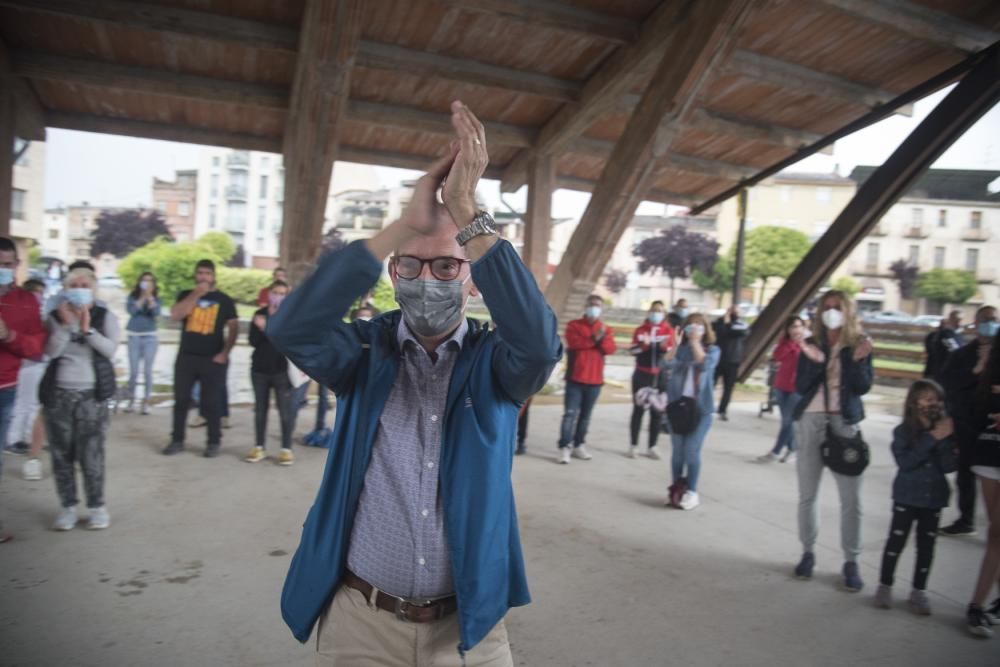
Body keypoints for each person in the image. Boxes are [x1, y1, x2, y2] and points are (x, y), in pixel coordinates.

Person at [266, 101, 561, 665]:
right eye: (410, 265)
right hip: (362, 622)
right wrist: (406, 225)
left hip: (467, 626)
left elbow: (539, 343)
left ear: (473, 279)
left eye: (447, 266)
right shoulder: (363, 353)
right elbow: (293, 328)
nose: (427, 280)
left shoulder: (494, 364)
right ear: (392, 274)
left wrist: (468, 212)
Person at [791, 290, 874, 592]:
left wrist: (857, 361)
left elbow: (862, 386)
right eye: (826, 308)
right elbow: (800, 386)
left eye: (837, 308)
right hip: (812, 420)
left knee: (851, 499)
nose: (831, 313)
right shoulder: (811, 343)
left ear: (847, 311)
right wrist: (815, 361)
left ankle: (851, 560)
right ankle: (807, 553)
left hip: (844, 422)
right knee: (807, 494)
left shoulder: (858, 343)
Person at [43, 267, 119, 531]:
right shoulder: (55, 315)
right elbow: (50, 352)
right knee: (61, 455)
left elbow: (110, 349)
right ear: (65, 288)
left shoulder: (104, 315)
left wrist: (88, 330)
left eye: (83, 283)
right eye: (73, 283)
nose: (78, 287)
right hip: (59, 394)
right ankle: (68, 507)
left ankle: (97, 507)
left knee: (92, 455)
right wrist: (66, 326)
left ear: (93, 287)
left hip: (91, 395)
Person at [873, 379, 957, 615]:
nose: (933, 404)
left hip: (933, 498)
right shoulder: (902, 432)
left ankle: (919, 590)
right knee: (896, 542)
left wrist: (945, 439)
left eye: (937, 399)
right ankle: (885, 584)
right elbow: (906, 462)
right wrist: (932, 437)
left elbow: (950, 466)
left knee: (926, 546)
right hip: (906, 495)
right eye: (927, 398)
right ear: (913, 403)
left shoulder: (946, 432)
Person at [162, 259, 238, 458]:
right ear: (196, 275)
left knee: (211, 402)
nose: (203, 277)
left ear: (213, 276)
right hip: (186, 357)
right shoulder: (186, 295)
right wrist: (195, 294)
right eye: (200, 273)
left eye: (207, 273)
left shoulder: (224, 299)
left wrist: (225, 353)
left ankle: (213, 441)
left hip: (212, 359)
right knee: (181, 400)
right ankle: (177, 439)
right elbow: (176, 315)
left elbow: (233, 327)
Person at [0, 238, 47, 540]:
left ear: (16, 266)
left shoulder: (26, 302)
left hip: (5, 388)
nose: (2, 270)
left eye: (6, 265)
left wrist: (9, 335)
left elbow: (35, 347)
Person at [941, 305, 998, 537]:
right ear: (975, 324)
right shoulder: (962, 355)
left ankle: (995, 528)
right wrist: (977, 369)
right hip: (968, 422)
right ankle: (966, 518)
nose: (989, 324)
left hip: (994, 425)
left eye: (993, 319)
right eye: (984, 319)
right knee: (965, 474)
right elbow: (949, 385)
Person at [659, 313, 720, 510]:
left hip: (701, 410)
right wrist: (675, 346)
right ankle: (677, 489)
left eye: (698, 327)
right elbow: (665, 364)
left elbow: (705, 365)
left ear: (705, 331)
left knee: (692, 451)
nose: (693, 330)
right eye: (690, 327)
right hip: (678, 408)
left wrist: (695, 343)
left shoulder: (713, 350)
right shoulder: (681, 350)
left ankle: (692, 492)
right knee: (678, 453)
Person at [965, 324, 1000, 637]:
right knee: (995, 534)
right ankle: (983, 603)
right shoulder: (990, 368)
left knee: (996, 533)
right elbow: (978, 410)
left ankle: (977, 604)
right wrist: (980, 367)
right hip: (990, 453)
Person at [558, 294, 615, 464]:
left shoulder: (605, 329)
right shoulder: (574, 325)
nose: (594, 308)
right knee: (569, 414)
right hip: (575, 378)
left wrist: (600, 338)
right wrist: (594, 339)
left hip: (595, 381)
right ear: (586, 306)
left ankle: (578, 445)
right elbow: (574, 343)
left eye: (597, 305)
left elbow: (610, 348)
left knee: (585, 416)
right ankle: (564, 446)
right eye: (591, 305)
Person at [245, 280, 295, 466]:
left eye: (282, 293)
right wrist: (261, 328)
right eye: (275, 292)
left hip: (281, 371)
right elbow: (253, 341)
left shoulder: (289, 316)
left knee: (284, 411)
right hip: (259, 370)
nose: (278, 296)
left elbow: (286, 341)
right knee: (260, 410)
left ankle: (286, 448)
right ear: (269, 293)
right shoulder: (259, 314)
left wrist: (266, 327)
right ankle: (259, 446)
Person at [6, 280, 48, 482]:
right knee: (25, 403)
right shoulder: (22, 309)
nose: (40, 296)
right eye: (37, 292)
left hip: (34, 362)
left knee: (30, 404)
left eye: (42, 293)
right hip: (26, 364)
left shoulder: (37, 312)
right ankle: (16, 440)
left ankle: (22, 438)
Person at [628, 301, 675, 459]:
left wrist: (663, 348)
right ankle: (633, 445)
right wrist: (644, 346)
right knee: (638, 410)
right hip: (642, 375)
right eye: (654, 310)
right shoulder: (641, 330)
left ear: (664, 313)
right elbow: (632, 350)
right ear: (649, 312)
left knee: (657, 412)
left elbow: (672, 353)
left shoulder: (668, 331)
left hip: (660, 377)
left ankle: (652, 446)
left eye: (660, 311)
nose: (656, 313)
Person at [758, 316, 806, 463]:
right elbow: (778, 355)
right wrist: (792, 344)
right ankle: (793, 447)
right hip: (782, 385)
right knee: (787, 420)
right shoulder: (784, 343)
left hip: (797, 388)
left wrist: (801, 345)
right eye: (792, 327)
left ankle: (776, 451)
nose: (795, 330)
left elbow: (807, 360)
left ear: (803, 327)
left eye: (798, 326)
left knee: (788, 421)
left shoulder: (808, 343)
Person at [124, 271, 161, 414]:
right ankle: (131, 400)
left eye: (150, 280)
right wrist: (141, 298)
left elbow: (156, 313)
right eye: (144, 280)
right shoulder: (132, 297)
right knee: (133, 371)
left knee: (147, 371)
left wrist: (150, 298)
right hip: (134, 335)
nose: (147, 283)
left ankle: (146, 402)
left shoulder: (157, 298)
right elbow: (131, 311)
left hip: (150, 337)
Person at [713, 304, 750, 421]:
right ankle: (707, 406)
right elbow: (720, 333)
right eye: (732, 310)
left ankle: (722, 410)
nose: (734, 313)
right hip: (717, 359)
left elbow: (742, 333)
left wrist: (728, 324)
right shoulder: (718, 323)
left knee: (728, 388)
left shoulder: (741, 324)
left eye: (736, 311)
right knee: (710, 385)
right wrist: (725, 324)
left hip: (733, 360)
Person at [924, 310, 963, 381]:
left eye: (960, 320)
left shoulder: (955, 334)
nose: (959, 322)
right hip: (942, 372)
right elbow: (955, 351)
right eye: (957, 319)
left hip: (939, 371)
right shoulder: (947, 334)